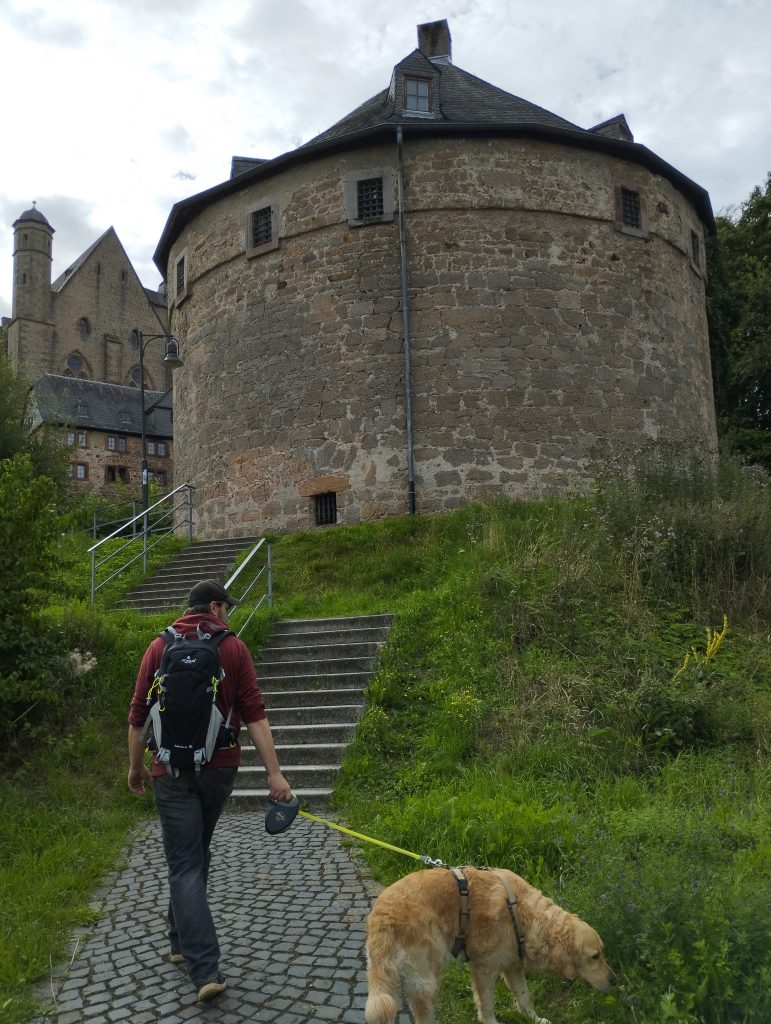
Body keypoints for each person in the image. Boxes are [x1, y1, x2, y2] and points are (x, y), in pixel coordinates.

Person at [127, 579, 292, 1003]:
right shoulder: (233, 648)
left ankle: (182, 944)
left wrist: (136, 767)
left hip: (169, 770)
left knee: (186, 861)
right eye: (227, 607)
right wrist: (274, 775)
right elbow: (254, 713)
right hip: (219, 768)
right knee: (194, 855)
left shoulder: (158, 647)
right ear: (215, 608)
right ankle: (202, 967)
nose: (229, 614)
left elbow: (137, 715)